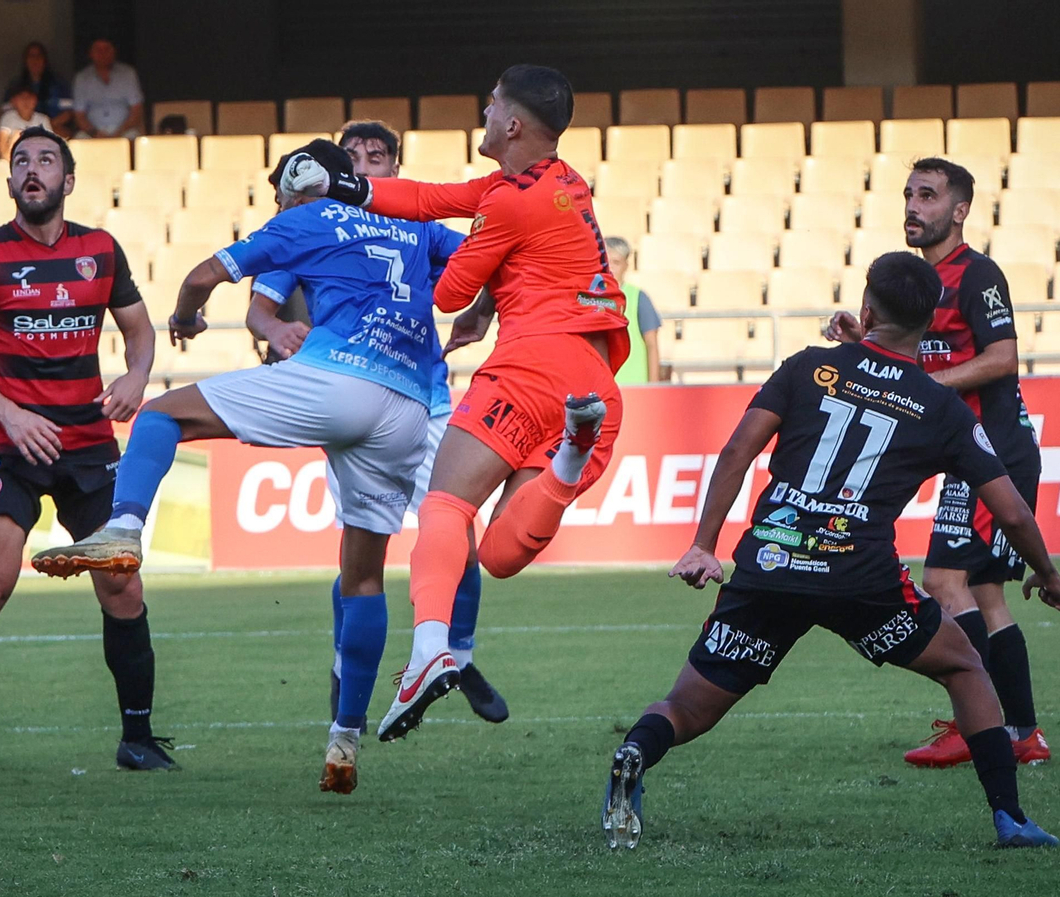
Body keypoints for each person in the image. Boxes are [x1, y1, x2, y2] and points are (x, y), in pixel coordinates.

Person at [31, 139, 466, 795]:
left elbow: (204, 276)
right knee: (364, 572)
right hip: (410, 405)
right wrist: (482, 314)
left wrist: (184, 317)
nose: (279, 204)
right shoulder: (412, 222)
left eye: (280, 192)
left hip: (339, 379)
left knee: (161, 416)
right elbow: (482, 267)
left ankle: (123, 526)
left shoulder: (304, 218)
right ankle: (344, 741)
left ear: (297, 184)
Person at [603, 252, 1060, 851]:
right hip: (860, 577)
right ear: (929, 326)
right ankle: (1009, 818)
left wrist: (702, 545)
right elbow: (1010, 510)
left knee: (686, 706)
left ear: (865, 308)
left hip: (769, 564)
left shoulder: (807, 368)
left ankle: (634, 752)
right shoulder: (940, 406)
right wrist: (1047, 572)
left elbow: (736, 452)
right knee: (963, 666)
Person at [282, 64, 630, 742]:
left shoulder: (508, 202)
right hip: (593, 383)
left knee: (444, 504)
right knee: (498, 553)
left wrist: (461, 296)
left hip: (531, 365)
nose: (484, 109)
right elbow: (433, 196)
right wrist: (343, 185)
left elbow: (443, 294)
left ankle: (430, 645)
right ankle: (568, 460)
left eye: (492, 103)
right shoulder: (561, 183)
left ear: (513, 124)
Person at [0, 126, 162, 781]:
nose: (32, 169)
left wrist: (134, 376)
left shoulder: (100, 250)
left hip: (86, 442)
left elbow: (139, 329)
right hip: (6, 443)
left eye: (46, 160)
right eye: (21, 161)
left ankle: (138, 738)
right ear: (10, 181)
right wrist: (10, 415)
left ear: (68, 181)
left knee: (122, 579)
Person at [250, 120, 507, 726]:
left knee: (455, 535)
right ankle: (348, 663)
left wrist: (483, 309)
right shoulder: (316, 226)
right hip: (357, 405)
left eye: (377, 155)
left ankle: (457, 655)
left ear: (395, 168)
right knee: (361, 558)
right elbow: (260, 306)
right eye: (353, 156)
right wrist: (277, 330)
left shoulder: (419, 226)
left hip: (430, 402)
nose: (364, 165)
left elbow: (491, 257)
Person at [826, 158, 1048, 768]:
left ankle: (972, 721)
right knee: (985, 594)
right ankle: (1021, 732)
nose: (913, 206)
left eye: (927, 195)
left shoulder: (978, 275)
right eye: (908, 195)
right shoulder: (923, 285)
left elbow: (1002, 357)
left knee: (944, 583)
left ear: (959, 210)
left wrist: (935, 387)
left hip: (993, 450)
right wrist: (858, 344)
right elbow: (920, 364)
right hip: (972, 452)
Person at [604, 236, 664, 384]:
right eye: (607, 262)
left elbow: (652, 344)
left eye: (616, 262)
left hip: (634, 385)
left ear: (626, 265)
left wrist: (653, 387)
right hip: (603, 391)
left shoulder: (638, 298)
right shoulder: (592, 297)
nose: (610, 268)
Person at [72, 38, 143, 139]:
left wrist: (119, 132)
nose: (103, 54)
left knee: (135, 138)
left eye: (107, 49)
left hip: (124, 131)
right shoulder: (82, 78)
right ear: (91, 53)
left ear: (114, 51)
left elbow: (136, 110)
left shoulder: (128, 74)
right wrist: (95, 133)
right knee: (79, 139)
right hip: (93, 133)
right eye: (98, 50)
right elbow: (79, 116)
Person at [2, 41, 73, 137]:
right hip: (22, 130)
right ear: (25, 60)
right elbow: (7, 113)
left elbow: (69, 112)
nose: (35, 60)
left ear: (45, 60)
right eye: (31, 56)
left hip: (55, 129)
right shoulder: (15, 86)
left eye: (39, 56)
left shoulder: (59, 84)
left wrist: (48, 124)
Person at [0, 84, 53, 161]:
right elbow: (2, 147)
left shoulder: (42, 119)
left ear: (35, 100)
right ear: (13, 101)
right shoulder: (8, 118)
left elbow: (50, 144)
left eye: (29, 98)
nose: (26, 101)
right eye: (21, 98)